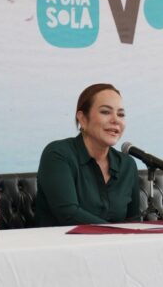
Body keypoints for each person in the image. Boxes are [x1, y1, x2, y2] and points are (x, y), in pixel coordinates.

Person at [35, 83, 141, 226]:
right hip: (61, 240)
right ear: (83, 119)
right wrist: (117, 233)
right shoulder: (57, 154)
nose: (116, 120)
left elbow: (133, 221)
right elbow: (68, 214)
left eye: (121, 114)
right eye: (105, 112)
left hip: (116, 240)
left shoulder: (127, 164)